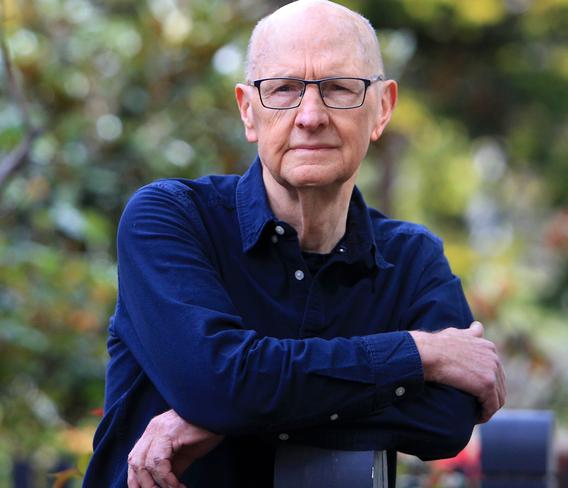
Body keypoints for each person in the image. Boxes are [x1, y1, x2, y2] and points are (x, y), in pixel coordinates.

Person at [83, 1, 506, 486]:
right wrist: (418, 354)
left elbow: (445, 421)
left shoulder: (412, 259)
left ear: (382, 109)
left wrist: (229, 413)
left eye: (338, 89)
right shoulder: (171, 220)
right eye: (283, 89)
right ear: (248, 111)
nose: (310, 115)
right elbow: (216, 386)